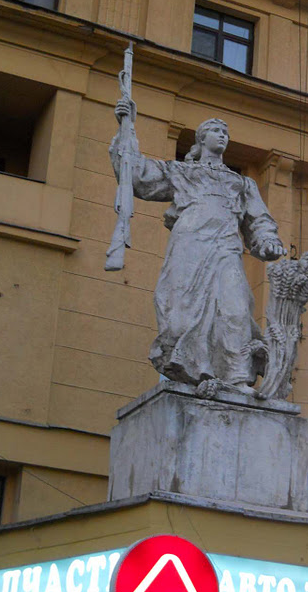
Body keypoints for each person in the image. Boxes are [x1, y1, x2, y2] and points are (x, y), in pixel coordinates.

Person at [111, 100, 286, 393]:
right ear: (202, 139)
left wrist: (267, 240)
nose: (223, 136)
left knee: (235, 311)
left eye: (225, 133)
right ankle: (194, 373)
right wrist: (126, 127)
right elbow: (138, 175)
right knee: (180, 317)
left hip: (226, 249)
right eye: (216, 131)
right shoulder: (181, 172)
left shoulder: (241, 184)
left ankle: (237, 378)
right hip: (189, 248)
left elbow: (259, 220)